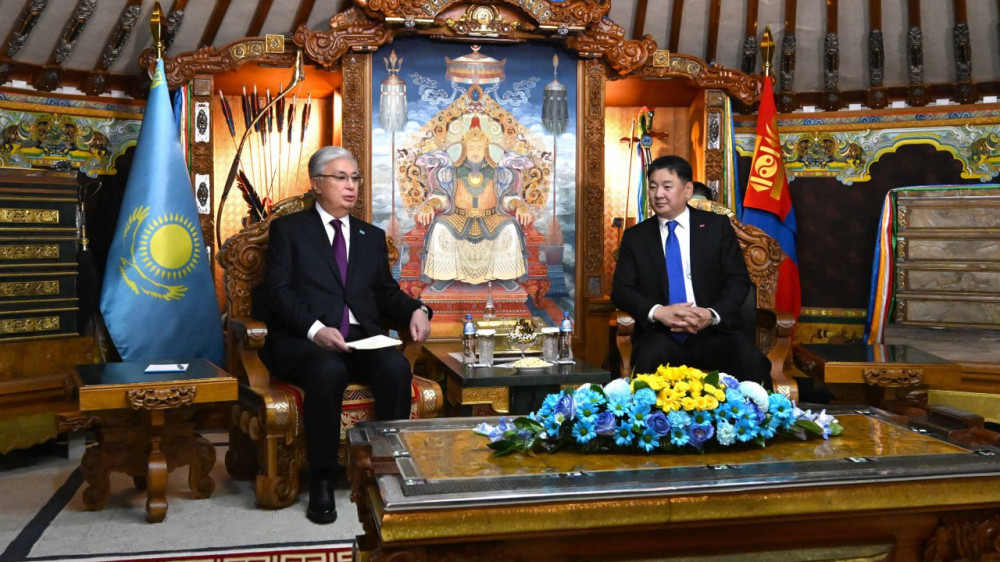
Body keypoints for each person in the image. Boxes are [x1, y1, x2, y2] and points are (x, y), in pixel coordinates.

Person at [266, 146, 432, 524]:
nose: (351, 186)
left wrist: (418, 310)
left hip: (361, 340)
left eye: (355, 178)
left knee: (394, 368)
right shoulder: (290, 230)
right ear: (316, 184)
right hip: (306, 340)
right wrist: (315, 330)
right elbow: (278, 293)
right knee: (329, 371)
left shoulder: (370, 236)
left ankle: (387, 469)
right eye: (340, 178)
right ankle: (322, 478)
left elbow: (386, 293)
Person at [611, 155, 771, 387]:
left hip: (712, 331)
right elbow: (621, 290)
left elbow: (738, 281)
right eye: (653, 187)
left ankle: (763, 412)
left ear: (687, 190)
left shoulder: (716, 227)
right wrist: (659, 312)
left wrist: (711, 314)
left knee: (752, 361)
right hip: (660, 333)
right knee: (647, 362)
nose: (658, 194)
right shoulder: (636, 236)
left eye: (667, 187)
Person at [415, 115, 530, 288]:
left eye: (479, 148)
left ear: (486, 149)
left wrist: (519, 206)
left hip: (491, 217)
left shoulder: (498, 172)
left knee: (509, 227)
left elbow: (507, 197)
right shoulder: (451, 172)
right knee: (440, 227)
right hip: (458, 216)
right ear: (463, 150)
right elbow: (442, 196)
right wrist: (430, 205)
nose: (475, 152)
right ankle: (444, 276)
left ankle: (505, 276)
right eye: (471, 148)